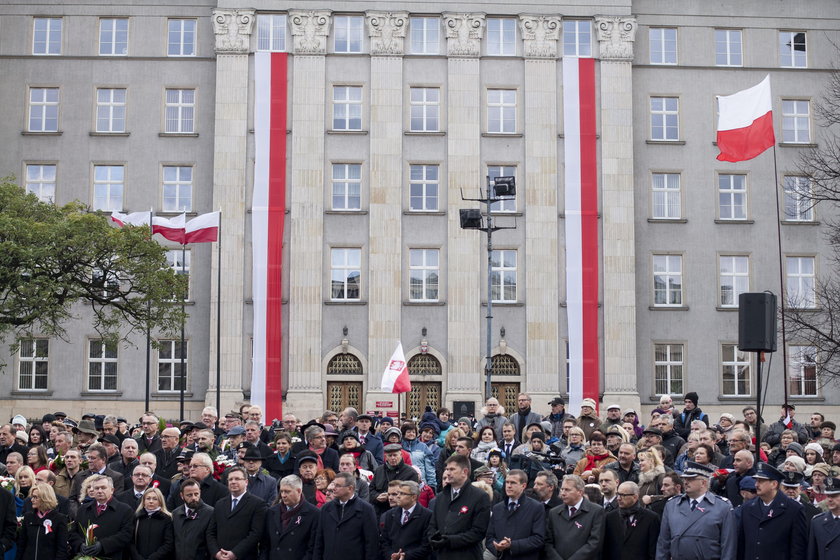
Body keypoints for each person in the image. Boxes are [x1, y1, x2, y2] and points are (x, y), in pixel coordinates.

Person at [655, 462, 735, 560]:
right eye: (685, 479)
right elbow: (663, 543)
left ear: (703, 482)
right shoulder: (672, 505)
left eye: (691, 479)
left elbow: (728, 546)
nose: (685, 482)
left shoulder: (722, 506)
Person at [736, 462, 807, 560]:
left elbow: (798, 549)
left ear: (774, 484)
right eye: (756, 480)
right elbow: (742, 545)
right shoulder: (747, 508)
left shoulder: (793, 509)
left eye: (761, 481)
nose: (756, 485)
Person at [427, 454, 491, 560]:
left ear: (464, 472)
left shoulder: (480, 496)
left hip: (467, 555)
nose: (447, 472)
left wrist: (450, 541)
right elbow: (432, 525)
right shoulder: (441, 497)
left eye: (452, 469)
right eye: (447, 469)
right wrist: (433, 539)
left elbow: (478, 532)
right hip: (442, 555)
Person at [312, 471, 378, 560]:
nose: (333, 488)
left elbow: (371, 544)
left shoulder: (366, 509)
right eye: (334, 484)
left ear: (350, 488)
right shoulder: (326, 508)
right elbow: (319, 541)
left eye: (338, 486)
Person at [207, 466, 268, 560]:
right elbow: (211, 532)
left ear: (246, 482)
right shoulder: (219, 504)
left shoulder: (257, 504)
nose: (233, 482)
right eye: (230, 479)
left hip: (243, 557)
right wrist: (216, 553)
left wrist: (235, 553)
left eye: (237, 479)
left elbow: (256, 533)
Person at [485, 469, 545, 560]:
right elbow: (489, 537)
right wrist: (497, 547)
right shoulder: (497, 508)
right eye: (507, 482)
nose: (508, 486)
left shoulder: (536, 507)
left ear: (523, 486)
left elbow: (538, 539)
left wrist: (512, 545)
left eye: (513, 483)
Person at [69, 475, 134, 559]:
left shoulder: (125, 510)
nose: (99, 491)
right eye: (96, 488)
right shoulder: (83, 509)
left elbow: (126, 535)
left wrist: (102, 545)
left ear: (112, 490)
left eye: (103, 488)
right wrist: (80, 545)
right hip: (85, 556)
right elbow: (73, 533)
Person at [544, 474, 606, 560]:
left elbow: (594, 543)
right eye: (562, 489)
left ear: (580, 492)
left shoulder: (596, 511)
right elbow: (548, 542)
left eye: (567, 490)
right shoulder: (553, 512)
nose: (563, 493)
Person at [262, 474, 318, 560]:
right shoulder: (272, 512)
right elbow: (265, 545)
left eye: (287, 491)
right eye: (281, 491)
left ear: (299, 491)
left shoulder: (313, 514)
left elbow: (312, 548)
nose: (283, 495)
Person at [603, 481, 660, 560]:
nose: (618, 498)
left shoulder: (651, 518)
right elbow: (606, 548)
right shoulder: (610, 517)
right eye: (618, 494)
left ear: (635, 497)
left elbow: (653, 550)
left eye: (623, 495)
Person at [379, 480, 432, 560]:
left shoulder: (427, 515)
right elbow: (384, 541)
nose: (398, 496)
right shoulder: (390, 515)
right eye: (398, 493)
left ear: (413, 497)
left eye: (402, 493)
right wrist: (391, 555)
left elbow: (426, 545)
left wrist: (405, 556)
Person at [15, 482, 68, 560]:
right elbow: (22, 544)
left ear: (45, 498)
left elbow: (61, 548)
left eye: (36, 497)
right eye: (32, 497)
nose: (32, 500)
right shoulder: (28, 517)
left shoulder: (59, 519)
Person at [369, 444, 420, 517]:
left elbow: (413, 495)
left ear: (401, 455)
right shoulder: (379, 470)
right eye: (390, 456)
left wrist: (393, 496)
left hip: (400, 513)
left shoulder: (411, 473)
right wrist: (377, 496)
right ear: (385, 457)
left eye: (395, 455)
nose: (393, 458)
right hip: (379, 512)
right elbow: (371, 490)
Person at [171, 478, 215, 560]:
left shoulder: (210, 513)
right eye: (189, 495)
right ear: (182, 496)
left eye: (196, 494)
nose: (194, 498)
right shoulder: (175, 514)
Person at [130, 487, 174, 560]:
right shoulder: (137, 517)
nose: (151, 501)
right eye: (148, 498)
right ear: (143, 501)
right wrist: (137, 557)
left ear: (160, 501)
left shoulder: (167, 519)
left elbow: (168, 544)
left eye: (155, 499)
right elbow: (131, 542)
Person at [806, 475, 840, 560]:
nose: (829, 499)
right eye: (828, 496)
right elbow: (812, 554)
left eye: (834, 496)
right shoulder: (817, 522)